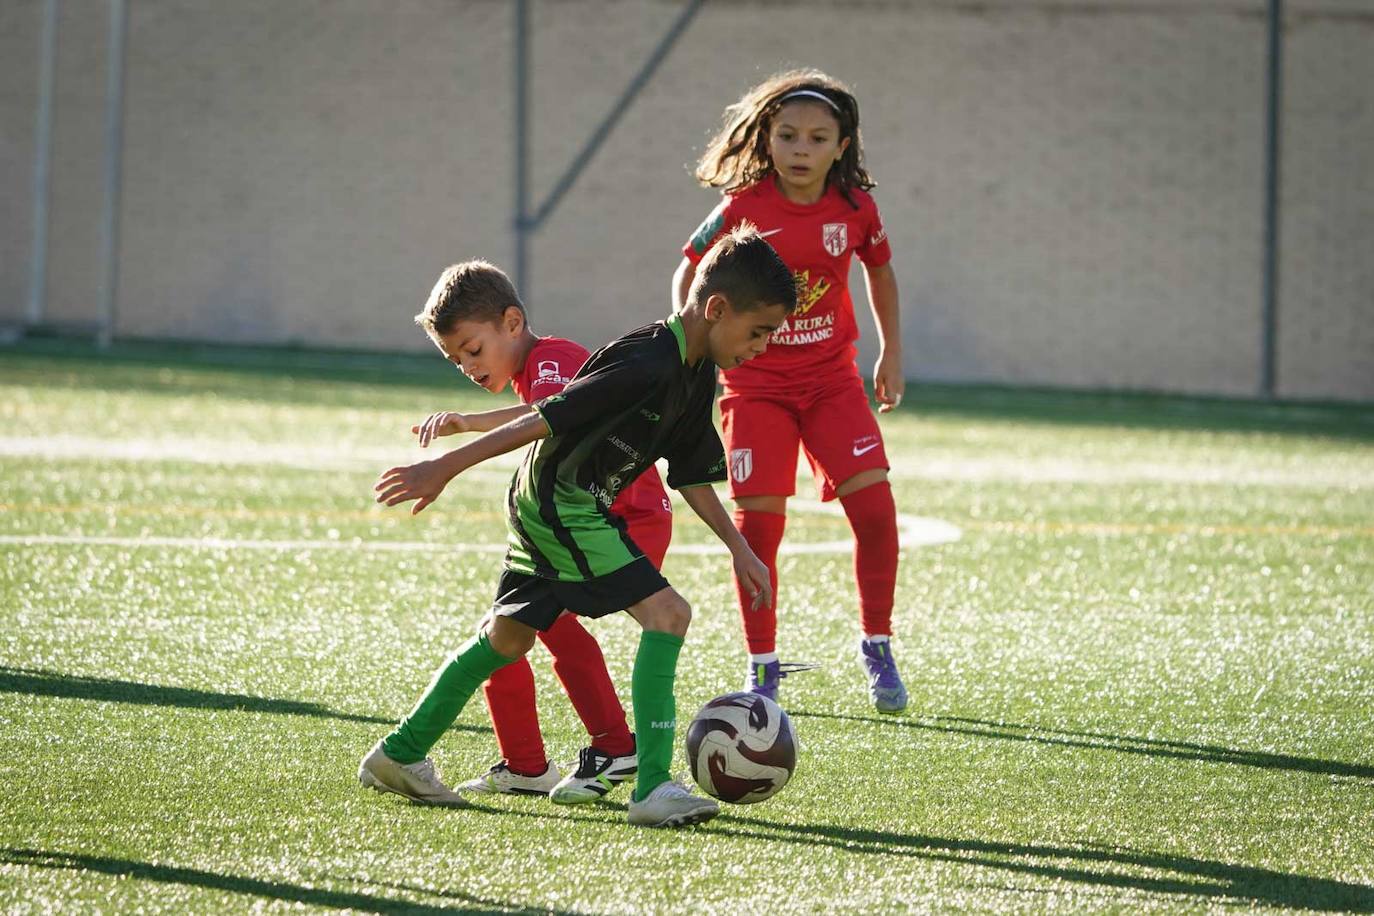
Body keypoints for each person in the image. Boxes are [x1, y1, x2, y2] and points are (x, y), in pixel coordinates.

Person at [359, 225, 797, 827]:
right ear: (716, 309)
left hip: (549, 504)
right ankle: (649, 786)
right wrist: (446, 465)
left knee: (508, 640)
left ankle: (400, 753)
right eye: (759, 332)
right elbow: (544, 419)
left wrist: (740, 549)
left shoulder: (696, 372)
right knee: (669, 615)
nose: (763, 347)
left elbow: (692, 474)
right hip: (564, 504)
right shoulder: (645, 360)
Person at [671, 69, 909, 713]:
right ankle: (762, 663)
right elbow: (689, 269)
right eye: (787, 135)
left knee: (877, 514)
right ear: (768, 141)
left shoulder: (856, 208)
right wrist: (693, 349)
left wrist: (890, 350)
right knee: (758, 532)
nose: (800, 148)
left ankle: (877, 644)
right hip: (756, 388)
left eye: (816, 137)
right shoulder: (744, 206)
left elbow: (880, 274)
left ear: (841, 146)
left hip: (832, 381)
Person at [405, 259, 675, 804]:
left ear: (511, 322)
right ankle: (528, 764)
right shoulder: (536, 369)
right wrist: (467, 420)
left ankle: (615, 746)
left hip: (625, 516)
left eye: (473, 350)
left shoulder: (550, 359)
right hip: (584, 522)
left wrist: (466, 429)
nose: (467, 366)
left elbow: (547, 413)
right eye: (456, 359)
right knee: (508, 627)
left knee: (533, 626)